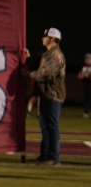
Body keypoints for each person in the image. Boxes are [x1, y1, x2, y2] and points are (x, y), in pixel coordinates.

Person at [25, 28, 66, 166]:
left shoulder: (55, 55)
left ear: (52, 38)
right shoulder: (48, 54)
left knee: (52, 126)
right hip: (45, 94)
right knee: (45, 126)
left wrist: (27, 74)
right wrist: (29, 59)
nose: (43, 38)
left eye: (45, 36)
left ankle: (54, 158)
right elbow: (40, 69)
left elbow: (45, 74)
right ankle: (45, 155)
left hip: (53, 94)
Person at [79, 54, 91, 119]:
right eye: (86, 59)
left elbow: (88, 76)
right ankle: (86, 113)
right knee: (86, 99)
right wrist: (80, 76)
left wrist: (87, 76)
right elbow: (79, 76)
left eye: (88, 59)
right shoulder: (83, 67)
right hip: (86, 86)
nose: (87, 60)